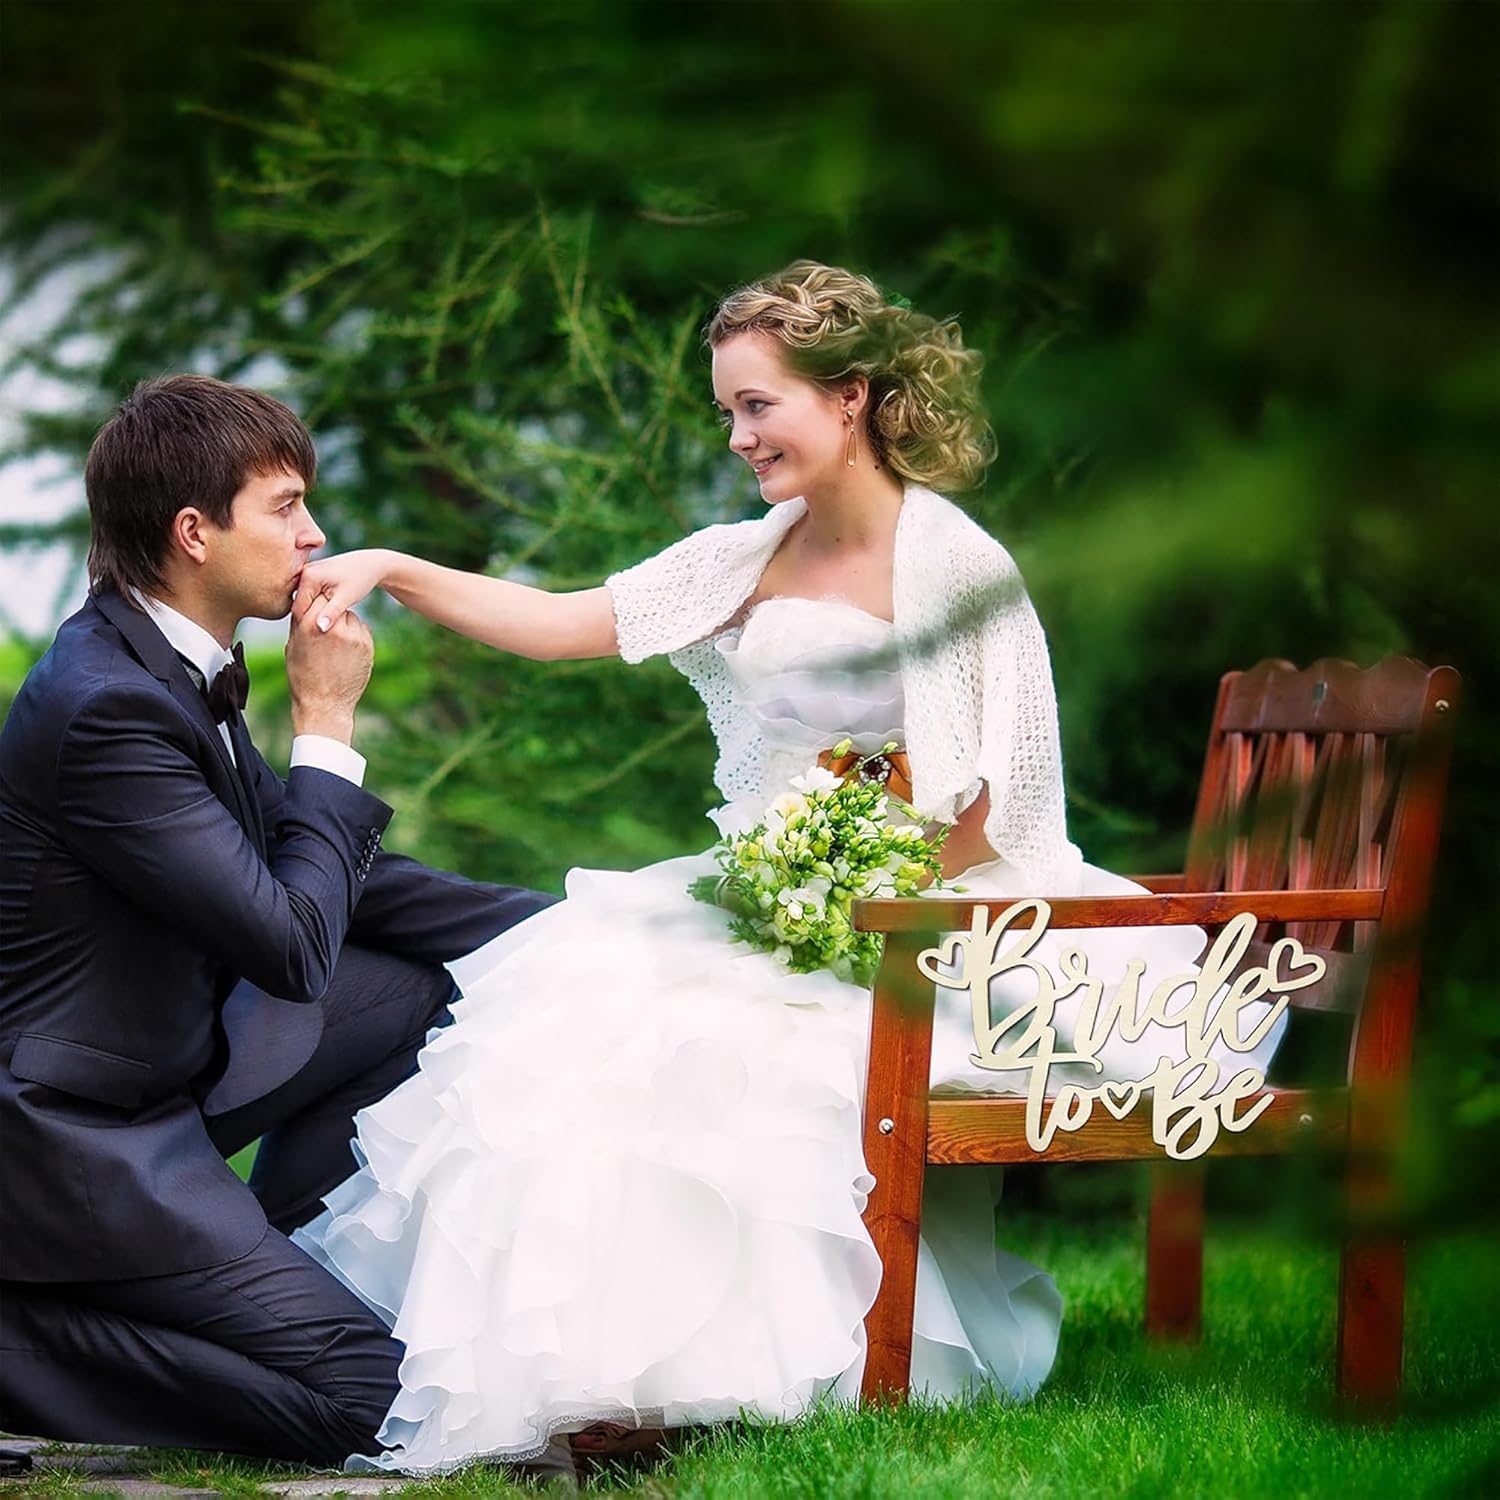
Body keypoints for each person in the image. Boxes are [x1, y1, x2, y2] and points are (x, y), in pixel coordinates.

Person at [291, 260, 1287, 1474]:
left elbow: (1002, 807)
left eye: (758, 405)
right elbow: (563, 621)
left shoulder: (963, 572)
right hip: (774, 891)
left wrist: (859, 894)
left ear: (853, 396)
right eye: (726, 411)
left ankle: (755, 1386)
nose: (737, 436)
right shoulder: (745, 557)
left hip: (937, 913)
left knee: (760, 1059)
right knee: (587, 1020)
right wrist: (390, 567)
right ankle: (606, 1389)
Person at [0, 376, 557, 1468]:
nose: (315, 536)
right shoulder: (106, 705)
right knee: (378, 1402)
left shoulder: (169, 662)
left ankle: (291, 1257)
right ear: (194, 532)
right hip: (76, 1143)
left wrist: (572, 925)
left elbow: (346, 880)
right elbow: (295, 944)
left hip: (168, 1076)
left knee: (415, 985)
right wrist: (328, 722)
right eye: (287, 506)